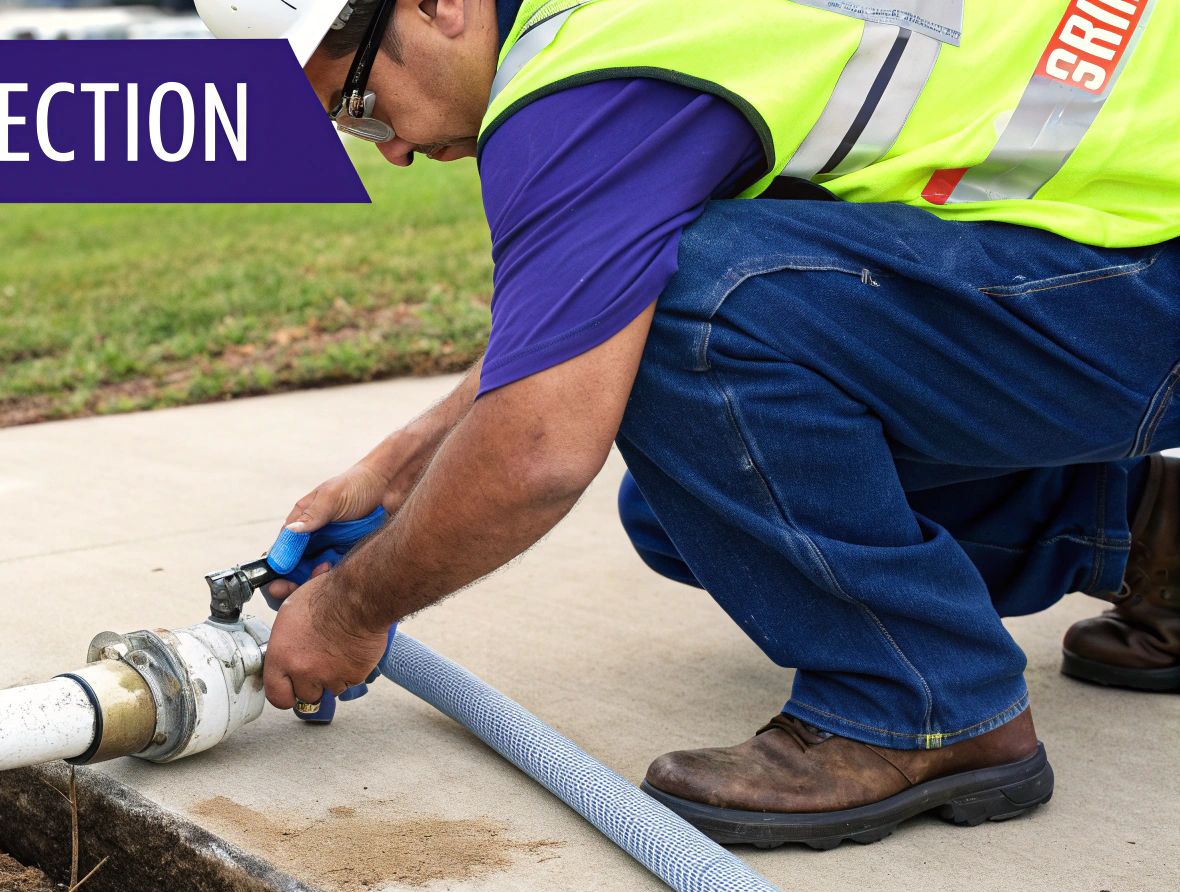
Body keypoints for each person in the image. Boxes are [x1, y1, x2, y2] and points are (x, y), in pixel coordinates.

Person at [192, 0, 1180, 847]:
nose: (396, 150)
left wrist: (352, 609)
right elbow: (589, 313)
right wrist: (407, 457)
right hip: (1123, 231)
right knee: (697, 501)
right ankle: (1150, 534)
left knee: (694, 324)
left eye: (359, 108)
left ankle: (919, 698)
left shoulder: (578, 81)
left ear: (436, 4)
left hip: (1147, 272)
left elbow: (541, 447)